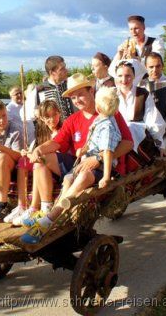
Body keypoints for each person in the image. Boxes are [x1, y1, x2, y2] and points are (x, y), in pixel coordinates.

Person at [20, 73, 133, 244]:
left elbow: (128, 143)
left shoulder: (109, 113)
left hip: (101, 167)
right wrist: (40, 148)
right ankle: (45, 207)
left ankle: (51, 218)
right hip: (78, 164)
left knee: (84, 175)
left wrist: (99, 158)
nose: (77, 100)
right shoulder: (73, 120)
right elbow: (57, 143)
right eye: (73, 97)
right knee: (40, 161)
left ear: (91, 91)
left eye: (80, 94)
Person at [13, 100, 64, 227]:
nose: (52, 119)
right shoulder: (43, 134)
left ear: (59, 113)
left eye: (54, 115)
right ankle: (25, 206)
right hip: (43, 166)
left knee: (38, 164)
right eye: (47, 117)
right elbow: (36, 154)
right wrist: (28, 153)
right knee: (24, 161)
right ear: (41, 118)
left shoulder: (62, 131)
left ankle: (37, 207)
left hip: (57, 167)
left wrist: (33, 155)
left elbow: (55, 154)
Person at [115, 60, 165, 152]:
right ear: (115, 77)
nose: (124, 80)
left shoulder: (142, 94)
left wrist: (159, 144)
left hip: (138, 140)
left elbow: (153, 119)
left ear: (134, 76)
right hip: (115, 138)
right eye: (120, 76)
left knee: (131, 127)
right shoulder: (110, 94)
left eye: (128, 75)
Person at [23, 56, 75, 123]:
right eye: (62, 69)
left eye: (65, 67)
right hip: (52, 132)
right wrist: (37, 112)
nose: (66, 70)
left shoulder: (71, 84)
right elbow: (26, 114)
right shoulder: (40, 90)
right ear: (52, 72)